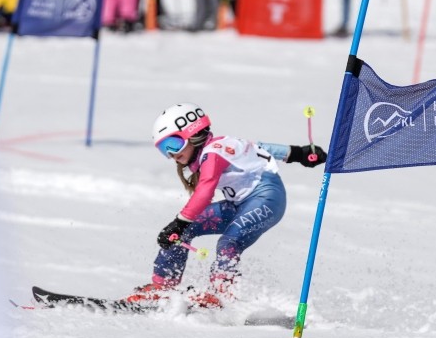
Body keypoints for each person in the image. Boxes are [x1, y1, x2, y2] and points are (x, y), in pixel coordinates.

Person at [126, 103, 327, 309]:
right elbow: (259, 148)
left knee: (228, 241)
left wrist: (180, 221)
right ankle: (163, 286)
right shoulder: (223, 145)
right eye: (163, 149)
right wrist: (298, 153)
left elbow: (205, 190)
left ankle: (223, 296)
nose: (171, 154)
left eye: (173, 144)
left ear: (193, 134)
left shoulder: (213, 153)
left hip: (267, 199)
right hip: (239, 204)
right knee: (180, 232)